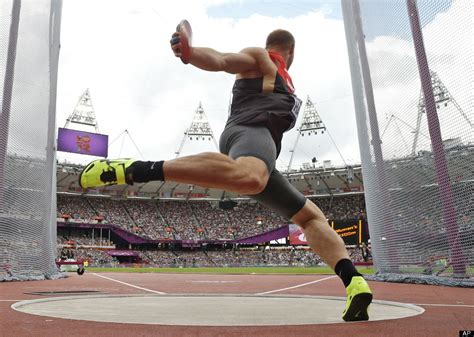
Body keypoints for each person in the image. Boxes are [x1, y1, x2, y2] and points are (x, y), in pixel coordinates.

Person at [79, 26, 372, 321]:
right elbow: (222, 60)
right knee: (250, 177)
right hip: (247, 133)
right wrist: (191, 54)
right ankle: (136, 169)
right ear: (291, 52)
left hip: (264, 153)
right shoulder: (261, 57)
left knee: (311, 218)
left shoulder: (284, 77)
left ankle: (354, 281)